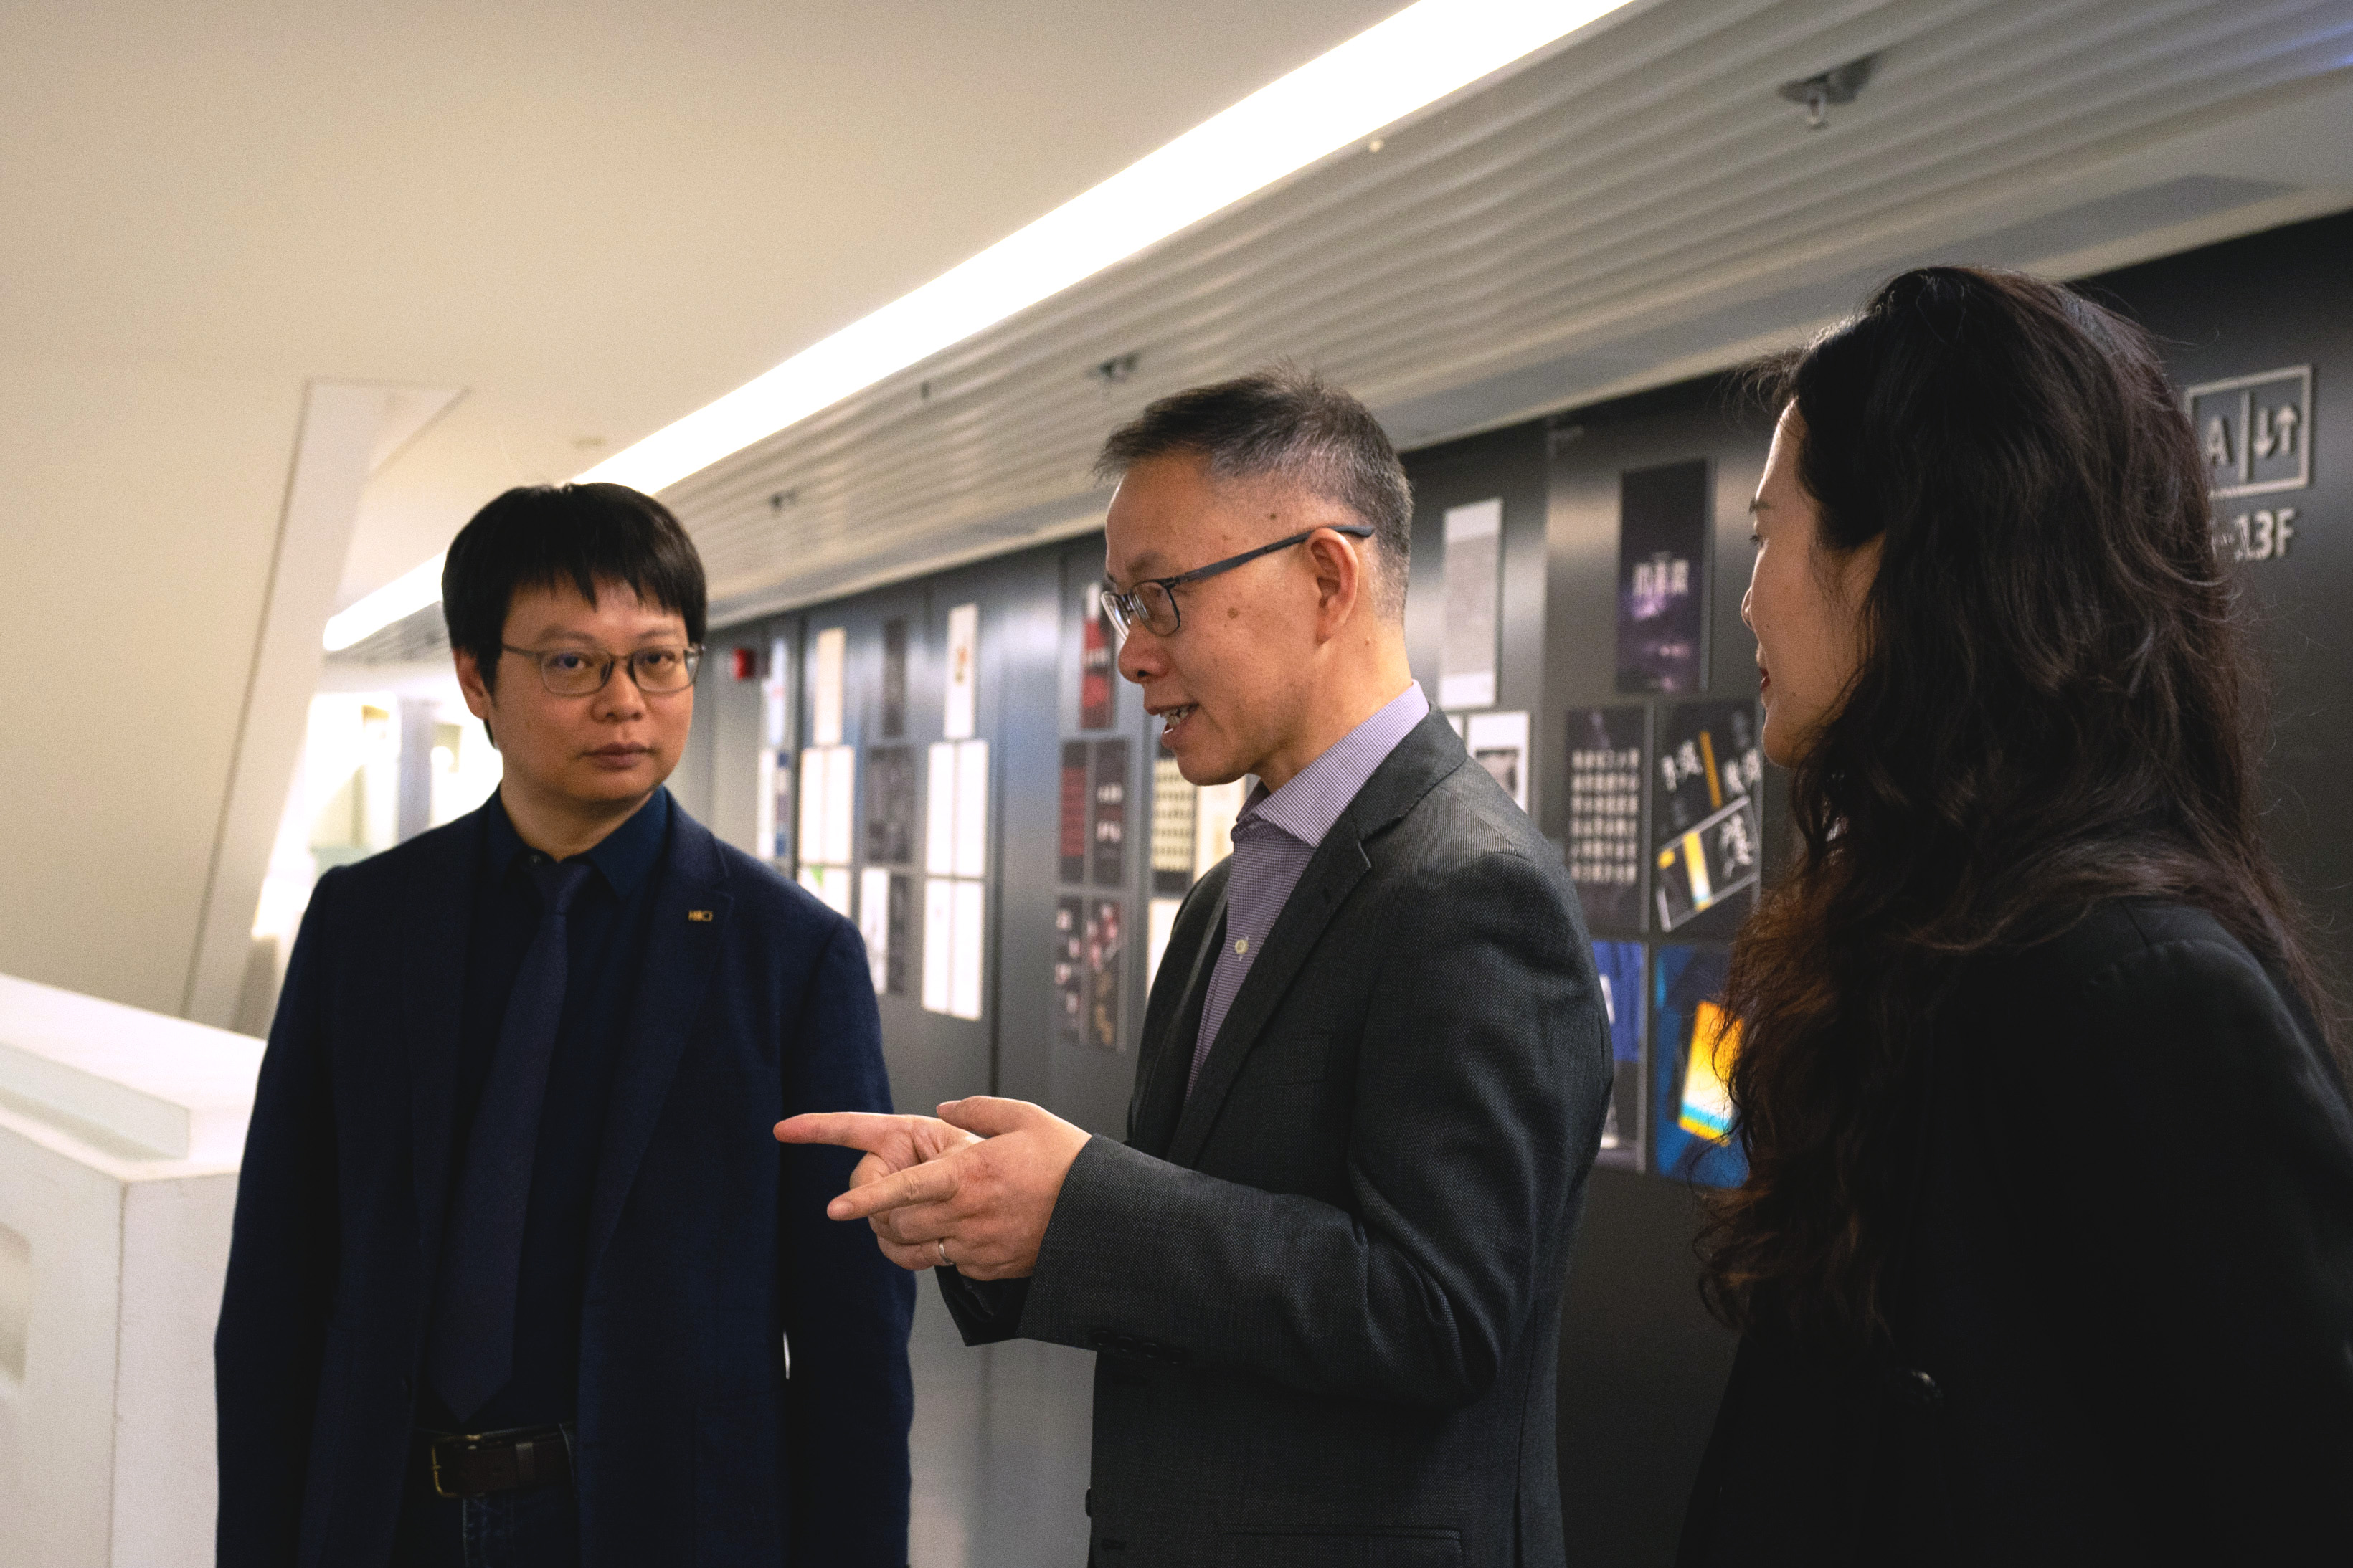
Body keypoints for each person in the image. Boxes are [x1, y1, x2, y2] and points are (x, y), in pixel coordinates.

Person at [781, 369, 1612, 1567]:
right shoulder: (1234, 890)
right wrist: (998, 1213)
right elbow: (1214, 1240)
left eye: (1161, 599)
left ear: (1326, 578)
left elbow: (1440, 1315)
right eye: (1118, 606)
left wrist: (1080, 1204)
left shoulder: (1464, 888)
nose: (1130, 657)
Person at [1676, 268, 2353, 1564]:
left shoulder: (2137, 988)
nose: (1749, 597)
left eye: (1769, 534)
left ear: (1905, 553)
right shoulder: (1914, 946)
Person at [216, 484, 914, 1568]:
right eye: (572, 663)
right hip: (388, 1516)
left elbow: (850, 1340)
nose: (625, 701)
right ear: (475, 679)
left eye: (658, 658)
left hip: (657, 1522)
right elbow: (278, 1278)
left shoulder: (787, 956)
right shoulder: (367, 924)